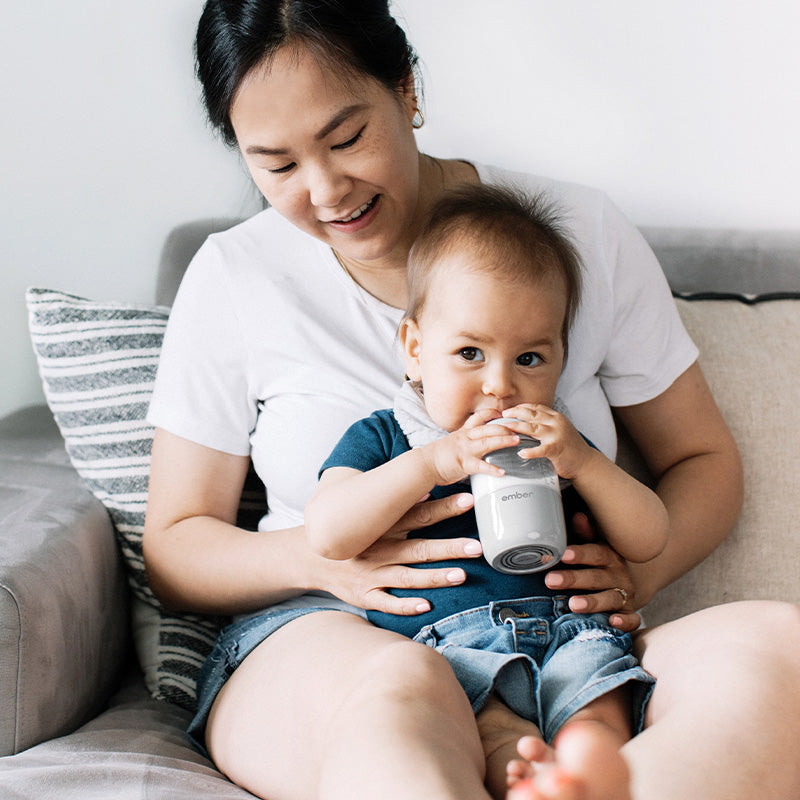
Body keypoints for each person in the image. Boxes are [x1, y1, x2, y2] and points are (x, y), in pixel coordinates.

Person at [142, 2, 800, 799]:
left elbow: (703, 459)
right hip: (333, 635)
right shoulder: (235, 277)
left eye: (347, 138)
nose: (325, 190)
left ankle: (591, 785)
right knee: (405, 685)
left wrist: (633, 576)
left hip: (560, 631)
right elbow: (176, 547)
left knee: (779, 648)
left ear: (406, 89)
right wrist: (329, 563)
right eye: (276, 165)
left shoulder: (572, 234)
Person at [304, 183, 668, 771]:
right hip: (449, 650)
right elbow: (328, 533)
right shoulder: (388, 436)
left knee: (599, 700)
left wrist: (587, 464)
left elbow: (650, 536)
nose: (500, 385)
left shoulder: (561, 443)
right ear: (415, 348)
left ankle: (591, 764)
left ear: (560, 359)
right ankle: (520, 770)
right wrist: (434, 462)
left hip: (571, 633)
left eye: (529, 359)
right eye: (470, 353)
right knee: (486, 724)